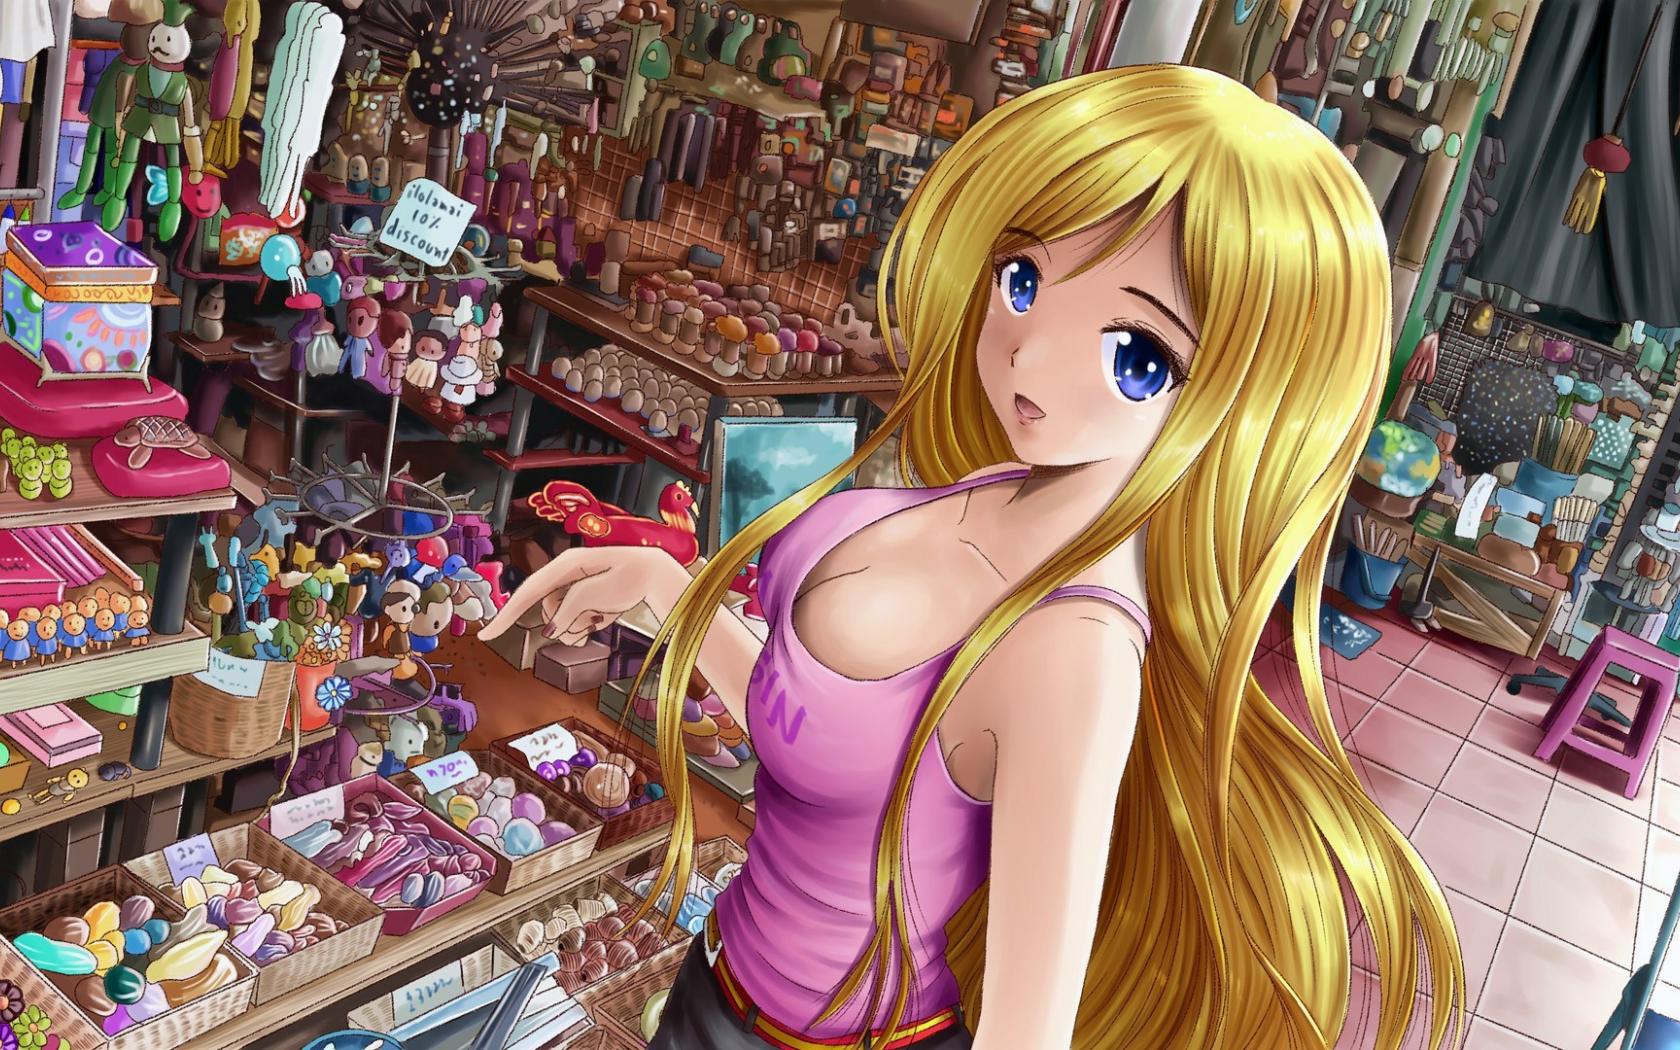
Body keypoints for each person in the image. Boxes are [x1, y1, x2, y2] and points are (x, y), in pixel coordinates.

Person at [483, 64, 1465, 1050]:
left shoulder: (1072, 650)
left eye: (1134, 355)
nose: (1031, 354)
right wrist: (672, 592)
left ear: (1241, 397)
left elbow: (1026, 1033)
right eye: (1024, 281)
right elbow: (825, 732)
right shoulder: (996, 484)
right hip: (717, 987)